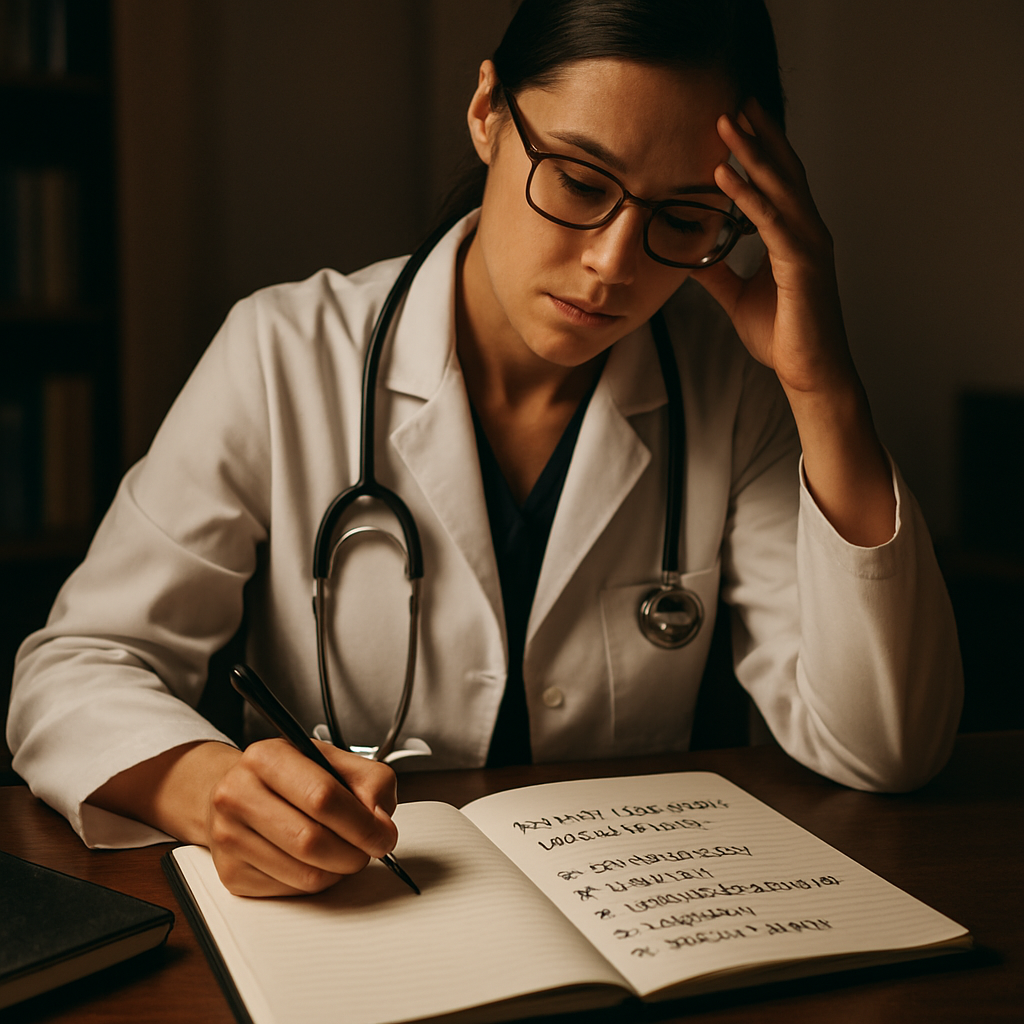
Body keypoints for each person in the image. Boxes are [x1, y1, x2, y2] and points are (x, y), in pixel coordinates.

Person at [8, 0, 962, 898]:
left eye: (682, 219)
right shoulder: (283, 353)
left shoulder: (733, 387)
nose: (613, 265)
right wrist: (207, 787)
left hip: (636, 915)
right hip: (361, 917)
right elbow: (77, 665)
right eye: (582, 182)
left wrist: (823, 386)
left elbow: (885, 746)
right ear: (487, 114)